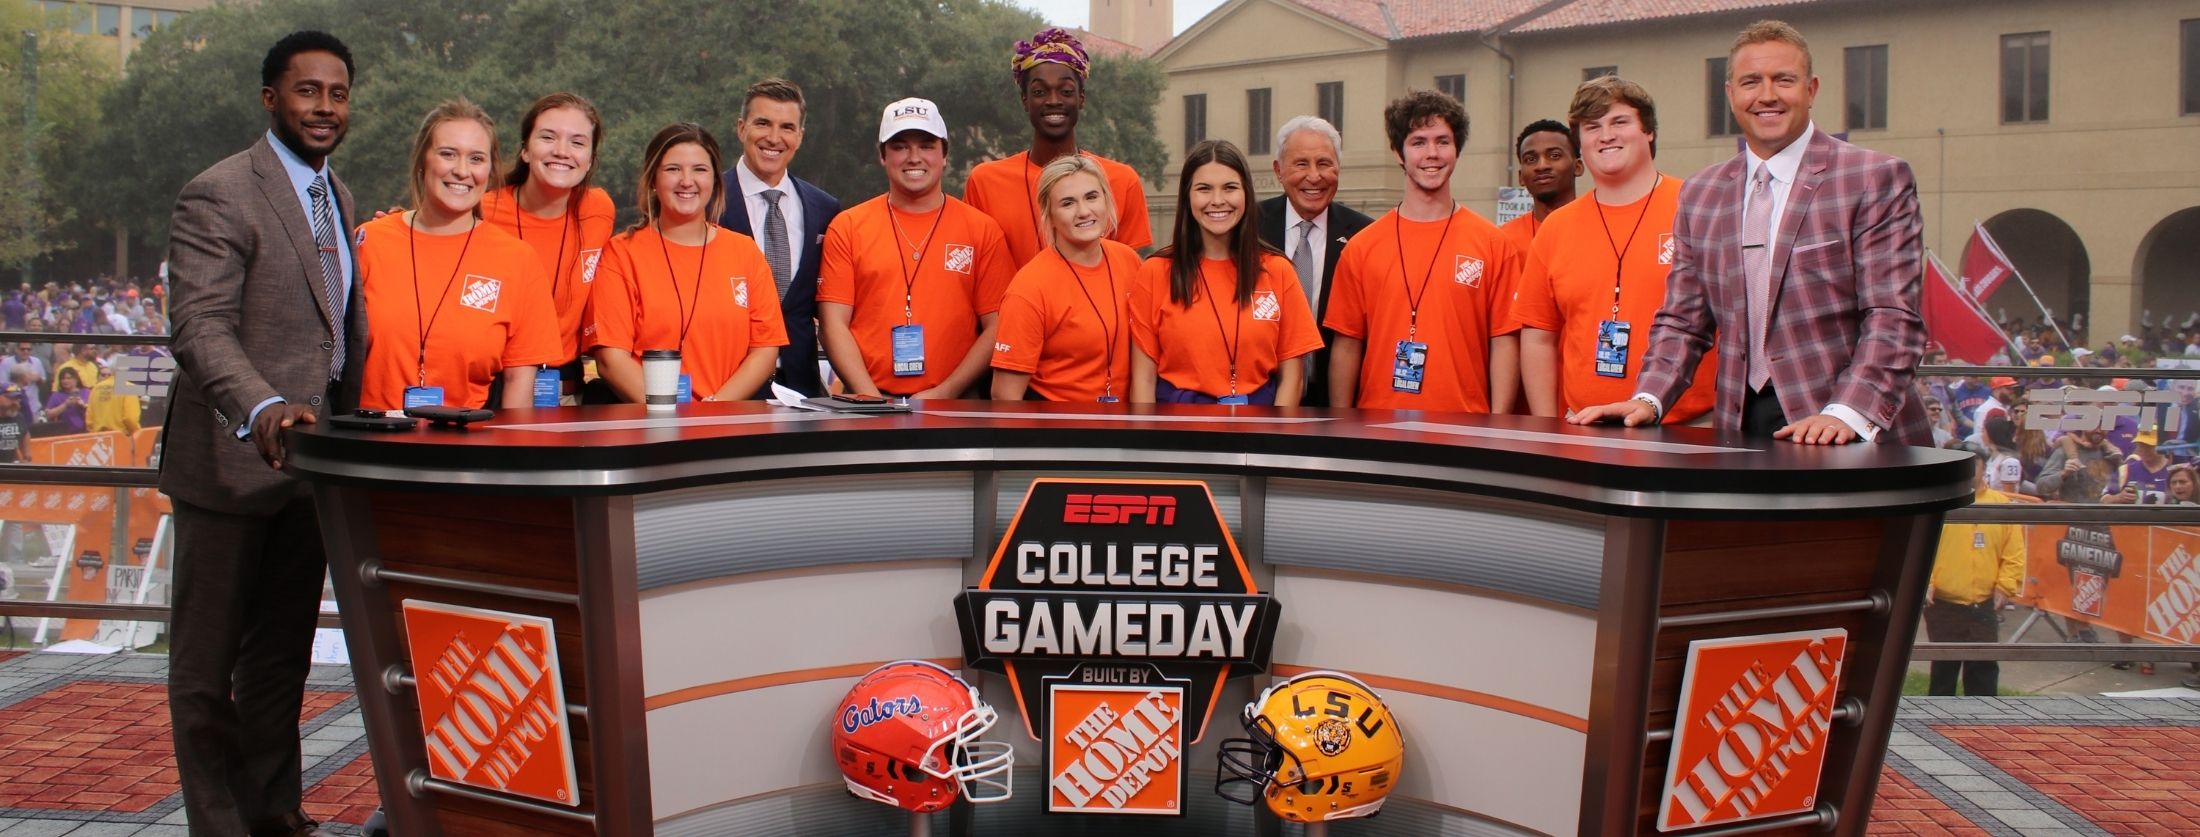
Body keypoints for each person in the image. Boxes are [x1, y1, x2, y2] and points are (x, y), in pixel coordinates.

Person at [161, 30, 365, 837]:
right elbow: (199, 326)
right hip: (230, 461)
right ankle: (219, 825)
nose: (325, 107)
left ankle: (275, 812)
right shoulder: (219, 192)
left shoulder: (336, 195)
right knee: (205, 671)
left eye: (338, 93)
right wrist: (262, 406)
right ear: (270, 98)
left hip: (307, 471)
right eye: (308, 91)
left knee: (281, 659)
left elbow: (331, 332)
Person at [1572, 20, 1928, 445]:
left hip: (1849, 433)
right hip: (1740, 431)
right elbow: (1684, 321)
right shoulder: (1702, 193)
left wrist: (1848, 413)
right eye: (1751, 82)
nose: (1767, 95)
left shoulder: (1873, 178)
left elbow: (1893, 318)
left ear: (1811, 90)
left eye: (1784, 80)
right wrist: (1649, 398)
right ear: (1731, 95)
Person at [1513, 77, 1714, 423]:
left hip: (1689, 427)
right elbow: (1538, 338)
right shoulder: (1556, 229)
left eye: (1619, 121)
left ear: (1648, 131)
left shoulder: (1697, 208)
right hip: (1584, 427)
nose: (1606, 135)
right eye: (1592, 127)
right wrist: (1547, 429)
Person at [353, 100, 563, 412]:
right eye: (448, 153)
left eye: (476, 158)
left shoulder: (518, 260)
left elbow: (520, 384)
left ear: (490, 170)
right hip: (369, 441)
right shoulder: (369, 242)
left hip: (467, 448)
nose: (462, 171)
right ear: (423, 159)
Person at [1322, 89, 1521, 412]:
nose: (1432, 153)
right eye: (1418, 142)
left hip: (1466, 429)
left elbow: (1504, 341)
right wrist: (1343, 426)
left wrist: (1497, 423)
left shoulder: (1493, 244)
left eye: (1443, 141)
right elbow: (1347, 346)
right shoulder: (1361, 248)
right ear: (1399, 153)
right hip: (1378, 431)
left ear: (1457, 150)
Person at [816, 98, 1014, 399]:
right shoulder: (848, 226)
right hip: (868, 402)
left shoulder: (981, 229)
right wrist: (871, 399)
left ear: (944, 154)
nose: (914, 157)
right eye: (900, 147)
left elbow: (998, 326)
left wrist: (947, 392)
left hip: (955, 405)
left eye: (926, 145)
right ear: (882, 156)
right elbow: (832, 325)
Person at [587, 122, 787, 403]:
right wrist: (670, 416)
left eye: (699, 169)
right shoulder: (621, 254)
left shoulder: (745, 252)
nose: (686, 180)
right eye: (672, 169)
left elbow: (764, 350)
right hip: (650, 426)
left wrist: (714, 411)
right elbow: (611, 358)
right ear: (653, 180)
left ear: (716, 181)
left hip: (726, 425)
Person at [1132, 140, 1321, 406]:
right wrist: (1147, 444)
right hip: (1177, 433)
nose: (1217, 200)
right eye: (1204, 189)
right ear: (1187, 196)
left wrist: (1275, 440)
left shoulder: (1278, 271)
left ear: (1246, 193)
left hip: (1257, 433)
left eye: (1230, 188)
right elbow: (1143, 380)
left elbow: (1292, 378)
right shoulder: (1155, 272)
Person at [964, 27, 1152, 268]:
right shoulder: (985, 182)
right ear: (1025, 100)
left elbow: (1127, 274)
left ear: (1081, 98)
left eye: (1065, 91)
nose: (1053, 101)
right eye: (1040, 92)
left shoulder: (1121, 181)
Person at [476, 92, 616, 406]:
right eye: (548, 137)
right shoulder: (481, 212)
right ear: (525, 149)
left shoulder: (599, 210)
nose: (562, 151)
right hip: (492, 396)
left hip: (567, 394)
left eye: (578, 142)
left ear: (591, 158)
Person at [718, 79, 842, 398]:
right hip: (724, 390)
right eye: (763, 123)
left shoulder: (825, 209)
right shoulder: (706, 203)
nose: (774, 138)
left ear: (799, 136)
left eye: (787, 127)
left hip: (803, 392)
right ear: (741, 127)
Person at [990, 155, 1141, 401]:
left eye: (1092, 197)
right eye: (1068, 203)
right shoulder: (1029, 288)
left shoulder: (1129, 261)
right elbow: (1005, 397)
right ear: (1049, 215)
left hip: (1124, 424)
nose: (1083, 211)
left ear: (1107, 200)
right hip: (1058, 431)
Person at [1256, 116, 1371, 408]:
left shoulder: (1364, 236)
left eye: (1324, 163)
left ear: (1338, 169)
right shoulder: (1249, 228)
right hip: (1260, 396)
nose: (1314, 176)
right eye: (1301, 164)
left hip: (1337, 402)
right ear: (1278, 170)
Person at [1924, 448, 2025, 696]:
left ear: (1984, 467)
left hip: (1983, 604)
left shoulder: (2001, 506)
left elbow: (2014, 552)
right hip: (1943, 603)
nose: (1968, 471)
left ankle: (1982, 725)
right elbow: (1922, 547)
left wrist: (2005, 586)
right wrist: (1926, 582)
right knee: (1943, 671)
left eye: (1973, 464)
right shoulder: (1938, 504)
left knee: (1983, 669)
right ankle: (1936, 723)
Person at [1500, 119, 1581, 252]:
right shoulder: (1503, 241)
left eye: (1554, 155)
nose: (1542, 166)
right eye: (1530, 159)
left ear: (1577, 167)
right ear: (1521, 177)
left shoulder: (1602, 229)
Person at [2103, 429, 2173, 504]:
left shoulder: (2173, 471)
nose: (2144, 449)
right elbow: (2104, 500)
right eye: (2141, 445)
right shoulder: (2125, 470)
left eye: (2149, 446)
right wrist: (2119, 498)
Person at [38, 366, 87, 433]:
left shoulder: (86, 392)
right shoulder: (56, 395)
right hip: (65, 431)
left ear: (76, 379)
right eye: (63, 379)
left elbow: (93, 410)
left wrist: (83, 405)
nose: (65, 381)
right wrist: (65, 405)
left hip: (84, 430)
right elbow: (47, 415)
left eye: (69, 378)